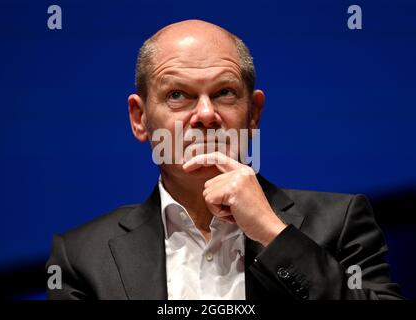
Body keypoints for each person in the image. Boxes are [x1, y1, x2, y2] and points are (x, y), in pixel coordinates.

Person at [46, 19, 402, 300]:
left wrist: (271, 231)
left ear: (254, 114)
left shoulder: (341, 223)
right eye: (177, 95)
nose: (205, 114)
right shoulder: (81, 257)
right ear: (139, 118)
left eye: (224, 93)